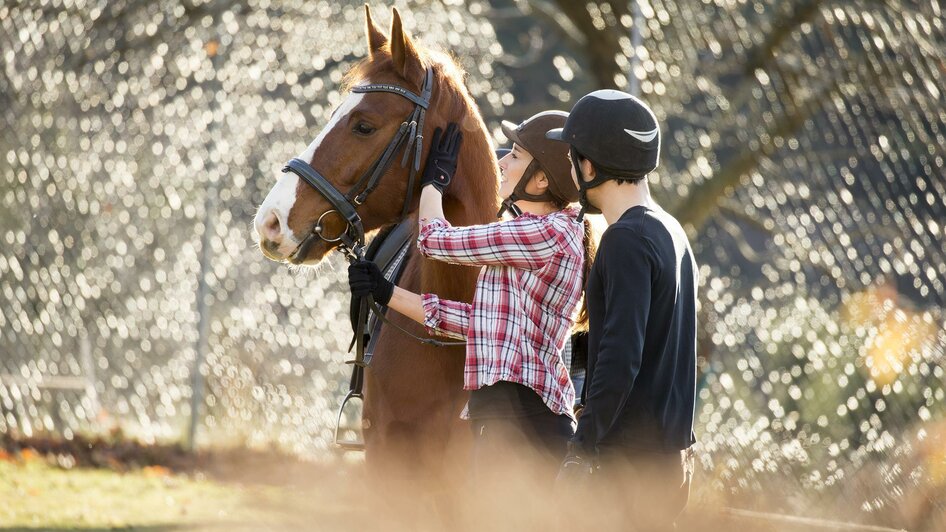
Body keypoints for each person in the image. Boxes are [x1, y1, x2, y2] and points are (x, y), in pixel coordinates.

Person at [348, 112, 594, 486]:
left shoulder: (545, 234)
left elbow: (434, 241)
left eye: (514, 155)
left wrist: (434, 184)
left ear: (541, 179)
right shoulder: (538, 235)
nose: (501, 163)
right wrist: (387, 293)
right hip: (505, 422)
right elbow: (480, 324)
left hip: (525, 423)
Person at [547, 90, 698, 531]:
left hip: (626, 468)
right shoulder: (671, 231)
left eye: (572, 155)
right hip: (669, 460)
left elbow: (621, 357)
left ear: (589, 165)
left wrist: (582, 446)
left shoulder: (625, 240)